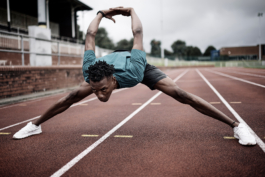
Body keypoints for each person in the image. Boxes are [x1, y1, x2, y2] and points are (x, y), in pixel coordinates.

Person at [13, 7, 256, 146]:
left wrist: (129, 11)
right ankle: (34, 126)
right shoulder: (91, 71)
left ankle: (237, 126)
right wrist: (100, 12)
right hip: (107, 65)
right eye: (95, 90)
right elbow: (89, 36)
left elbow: (138, 32)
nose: (98, 95)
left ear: (113, 81)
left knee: (183, 95)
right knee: (71, 97)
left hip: (136, 66)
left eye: (102, 90)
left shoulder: (135, 70)